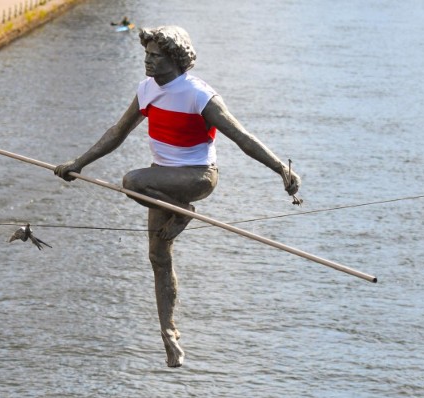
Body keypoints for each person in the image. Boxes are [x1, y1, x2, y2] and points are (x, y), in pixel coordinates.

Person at [54, 26, 301, 368]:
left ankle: (182, 211)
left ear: (174, 59)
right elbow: (116, 133)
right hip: (162, 181)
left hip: (197, 177)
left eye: (156, 56)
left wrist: (281, 170)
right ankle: (169, 334)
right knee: (157, 256)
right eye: (147, 54)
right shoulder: (146, 91)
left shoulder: (199, 95)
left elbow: (242, 138)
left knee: (131, 181)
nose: (148, 60)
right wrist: (77, 164)